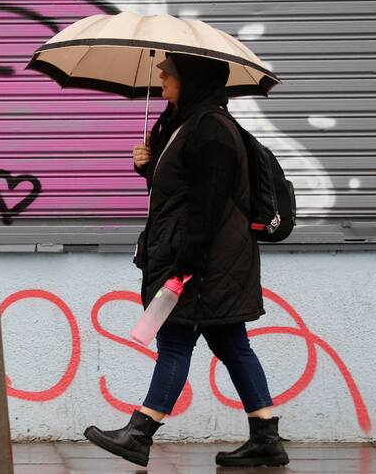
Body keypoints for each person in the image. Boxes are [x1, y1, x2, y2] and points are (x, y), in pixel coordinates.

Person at [83, 53, 290, 468]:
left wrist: (183, 266)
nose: (160, 76)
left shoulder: (210, 130)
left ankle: (140, 432)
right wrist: (146, 165)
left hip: (204, 260)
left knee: (175, 341)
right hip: (211, 259)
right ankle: (265, 435)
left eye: (169, 71)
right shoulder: (185, 124)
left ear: (191, 79)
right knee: (231, 343)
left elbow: (206, 207)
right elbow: (178, 190)